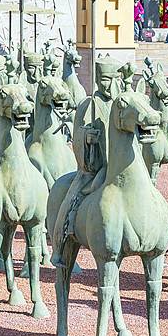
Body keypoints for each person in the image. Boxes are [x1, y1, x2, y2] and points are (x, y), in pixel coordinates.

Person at [52, 56, 123, 267]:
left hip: (118, 165)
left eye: (113, 79)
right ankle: (60, 243)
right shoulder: (89, 104)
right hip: (95, 168)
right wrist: (86, 136)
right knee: (70, 198)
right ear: (97, 79)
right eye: (104, 79)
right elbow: (76, 133)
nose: (109, 84)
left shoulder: (122, 103)